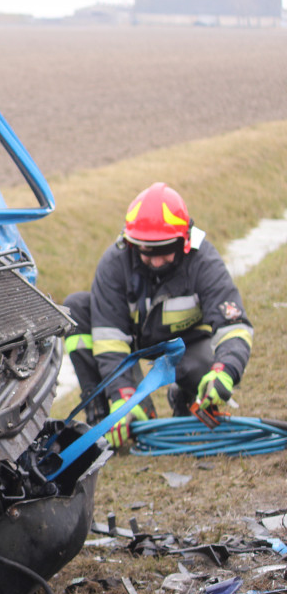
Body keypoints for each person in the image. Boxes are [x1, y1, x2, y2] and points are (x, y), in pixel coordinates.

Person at [64, 182, 253, 450]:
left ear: (184, 241)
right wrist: (123, 397)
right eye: (145, 250)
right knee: (77, 307)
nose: (154, 261)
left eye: (163, 250)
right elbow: (110, 343)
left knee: (205, 371)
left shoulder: (204, 260)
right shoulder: (114, 263)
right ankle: (104, 418)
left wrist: (225, 373)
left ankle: (186, 398)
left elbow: (234, 326)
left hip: (186, 344)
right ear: (130, 242)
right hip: (134, 343)